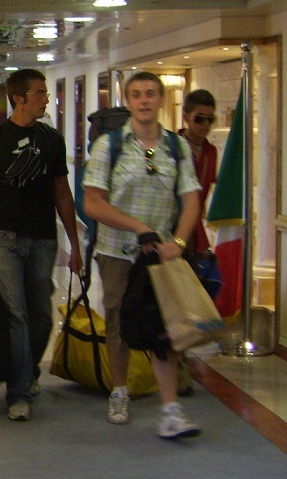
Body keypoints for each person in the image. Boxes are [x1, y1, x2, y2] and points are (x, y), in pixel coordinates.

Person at [83, 71, 202, 439]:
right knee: (119, 321)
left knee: (163, 326)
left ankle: (170, 409)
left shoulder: (176, 147)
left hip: (160, 254)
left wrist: (178, 242)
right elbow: (92, 203)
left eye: (150, 93)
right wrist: (138, 228)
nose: (144, 100)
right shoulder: (109, 146)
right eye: (136, 95)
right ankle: (119, 392)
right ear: (127, 101)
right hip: (117, 251)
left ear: (161, 99)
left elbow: (191, 200)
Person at [0, 68, 83, 423]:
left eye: (46, 93)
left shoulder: (52, 140)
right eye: (40, 93)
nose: (46, 99)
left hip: (43, 239)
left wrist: (75, 244)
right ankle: (18, 393)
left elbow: (62, 192)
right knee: (16, 315)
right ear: (18, 98)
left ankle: (28, 370)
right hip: (4, 240)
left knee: (41, 316)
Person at [179, 89, 218, 256]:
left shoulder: (211, 152)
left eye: (210, 119)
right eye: (199, 118)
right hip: (174, 227)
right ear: (186, 117)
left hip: (197, 232)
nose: (205, 124)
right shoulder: (171, 147)